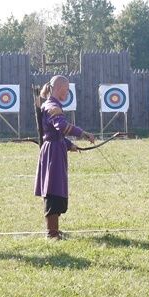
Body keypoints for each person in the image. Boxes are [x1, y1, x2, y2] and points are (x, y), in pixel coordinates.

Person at [34, 75, 96, 240]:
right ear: (60, 88)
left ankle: (55, 231)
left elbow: (55, 133)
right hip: (52, 152)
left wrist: (69, 145)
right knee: (53, 190)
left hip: (56, 148)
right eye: (67, 89)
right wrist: (83, 133)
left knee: (56, 189)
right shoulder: (52, 106)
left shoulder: (52, 105)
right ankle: (52, 233)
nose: (67, 92)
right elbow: (60, 126)